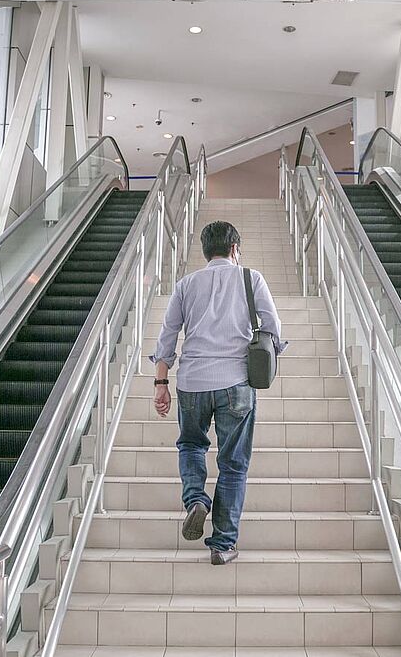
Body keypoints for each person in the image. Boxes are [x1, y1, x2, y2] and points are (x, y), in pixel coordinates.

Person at [149, 221, 286, 565]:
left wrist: (161, 383)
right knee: (233, 464)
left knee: (191, 445)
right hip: (236, 382)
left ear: (205, 251)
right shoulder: (251, 279)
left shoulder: (186, 285)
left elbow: (167, 336)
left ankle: (196, 499)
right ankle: (223, 545)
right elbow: (273, 328)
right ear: (235, 248)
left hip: (192, 382)